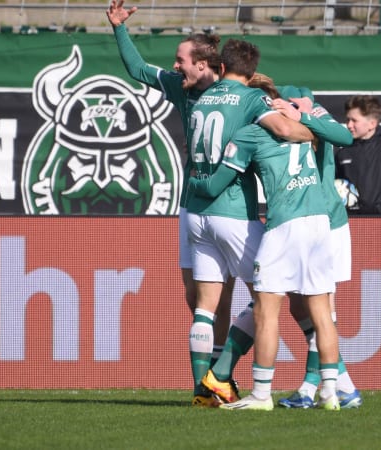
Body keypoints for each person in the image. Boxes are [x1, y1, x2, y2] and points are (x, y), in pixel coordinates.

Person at [200, 79, 363, 409]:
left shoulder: (262, 128)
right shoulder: (314, 122)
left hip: (297, 222)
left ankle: (265, 391)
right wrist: (302, 115)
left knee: (268, 307)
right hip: (323, 220)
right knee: (317, 311)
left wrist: (195, 181)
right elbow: (343, 136)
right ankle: (329, 390)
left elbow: (221, 178)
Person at [106, 0, 235, 407]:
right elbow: (138, 70)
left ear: (203, 63)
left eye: (181, 60)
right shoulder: (182, 88)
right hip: (191, 206)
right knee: (195, 295)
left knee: (229, 298)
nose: (174, 66)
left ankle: (217, 379)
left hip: (229, 207)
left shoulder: (235, 93)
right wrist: (119, 29)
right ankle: (209, 385)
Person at [183, 39, 314, 408]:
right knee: (267, 297)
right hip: (231, 213)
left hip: (196, 213)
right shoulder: (251, 98)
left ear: (220, 68)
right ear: (251, 74)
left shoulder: (201, 96)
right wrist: (314, 130)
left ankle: (202, 390)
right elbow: (285, 130)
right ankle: (220, 375)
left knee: (205, 309)